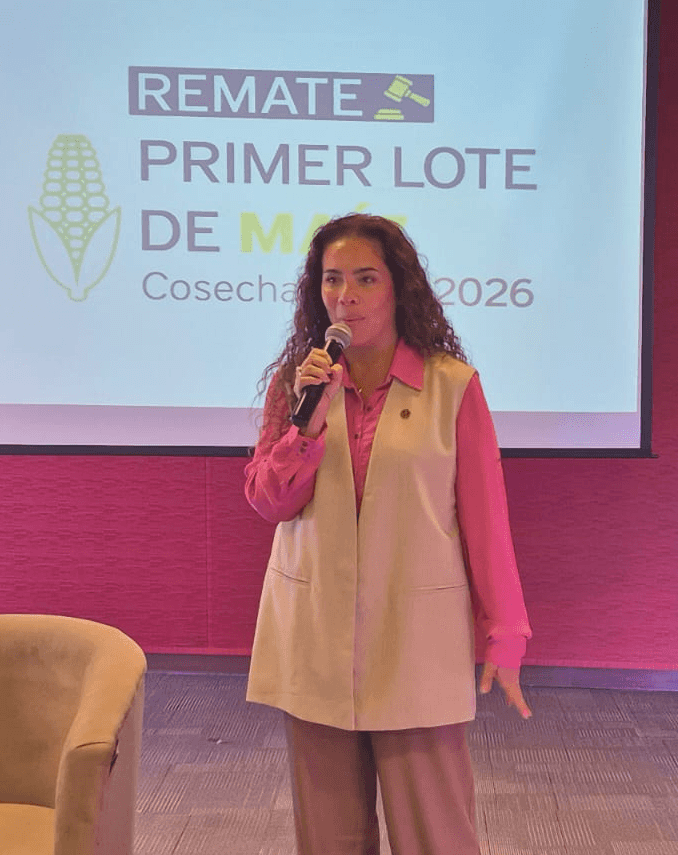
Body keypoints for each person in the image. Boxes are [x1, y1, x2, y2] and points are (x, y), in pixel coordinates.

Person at [244, 213, 532, 855]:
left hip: (415, 640)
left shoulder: (451, 386)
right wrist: (306, 428)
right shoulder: (298, 385)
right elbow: (269, 501)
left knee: (437, 835)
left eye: (365, 278)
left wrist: (504, 633)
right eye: (332, 279)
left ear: (399, 287)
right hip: (316, 635)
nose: (345, 295)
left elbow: (486, 522)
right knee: (329, 838)